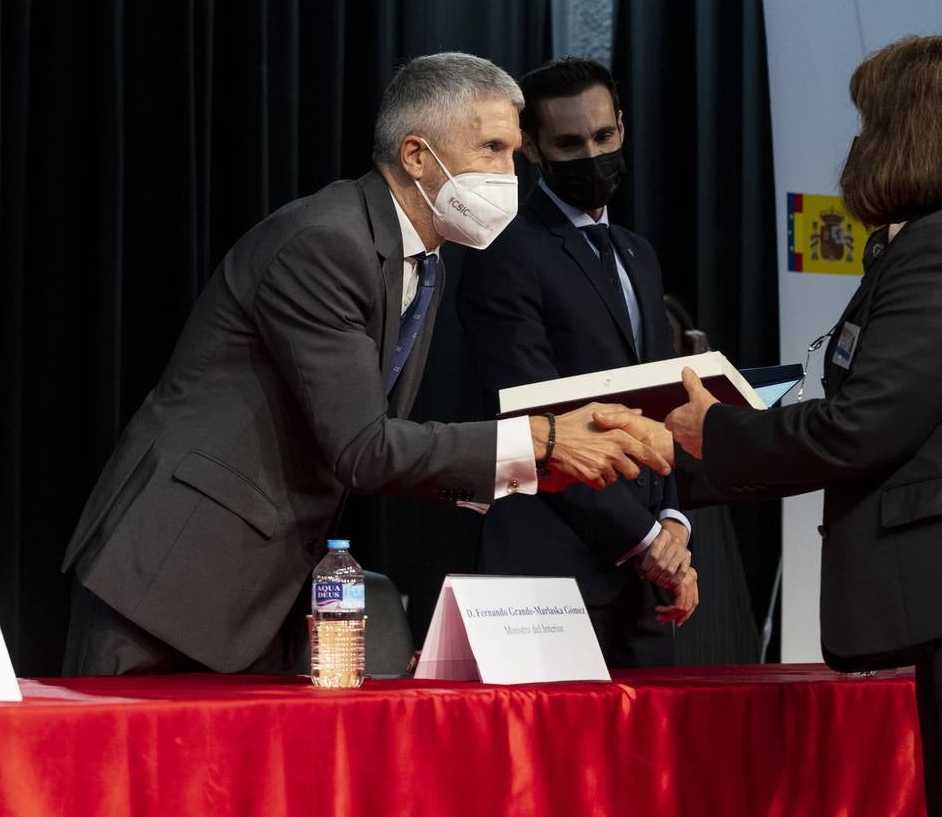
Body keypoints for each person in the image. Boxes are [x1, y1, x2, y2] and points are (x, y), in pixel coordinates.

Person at [604, 35, 942, 815]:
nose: (855, 143)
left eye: (869, 121)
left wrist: (710, 432)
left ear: (914, 129)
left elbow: (864, 427)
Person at [60, 52, 671, 676]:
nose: (508, 173)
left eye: (513, 152)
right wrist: (542, 441)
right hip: (170, 581)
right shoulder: (327, 243)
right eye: (490, 148)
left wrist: (542, 469)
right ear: (415, 157)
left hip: (257, 597)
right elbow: (362, 447)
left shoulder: (421, 259)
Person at [457, 57, 696, 668]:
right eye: (569, 143)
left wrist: (673, 526)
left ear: (622, 126)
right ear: (533, 149)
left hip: (645, 582)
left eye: (603, 137)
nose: (592, 156)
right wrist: (647, 542)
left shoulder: (638, 254)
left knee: (652, 762)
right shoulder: (503, 252)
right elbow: (536, 420)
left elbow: (661, 402)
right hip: (548, 578)